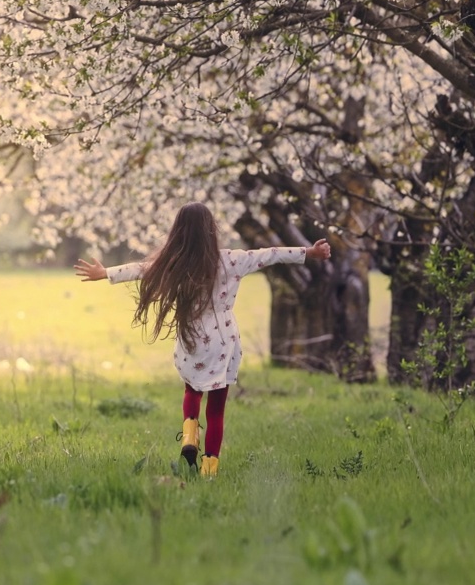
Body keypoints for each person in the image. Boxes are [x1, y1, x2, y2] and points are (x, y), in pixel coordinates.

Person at [74, 202, 331, 478]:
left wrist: (106, 273)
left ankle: (189, 435)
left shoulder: (173, 263)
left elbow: (141, 269)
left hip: (192, 335)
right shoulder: (232, 259)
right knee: (217, 409)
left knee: (192, 390)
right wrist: (310, 252)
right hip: (223, 338)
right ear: (211, 230)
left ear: (178, 232)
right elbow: (270, 255)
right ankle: (209, 470)